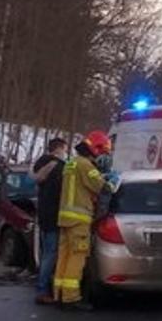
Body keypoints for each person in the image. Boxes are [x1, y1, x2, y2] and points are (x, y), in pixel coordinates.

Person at [53, 130, 114, 310]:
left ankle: (59, 294)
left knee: (63, 256)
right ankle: (71, 297)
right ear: (95, 149)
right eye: (102, 152)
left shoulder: (71, 163)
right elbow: (101, 187)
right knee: (77, 258)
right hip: (79, 219)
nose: (102, 156)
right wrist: (110, 181)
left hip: (65, 218)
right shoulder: (86, 166)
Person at [31, 137, 68, 304]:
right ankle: (43, 289)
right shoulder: (58, 167)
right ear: (59, 149)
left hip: (43, 214)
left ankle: (43, 286)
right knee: (50, 254)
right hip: (54, 215)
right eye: (65, 149)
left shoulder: (40, 165)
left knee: (46, 252)